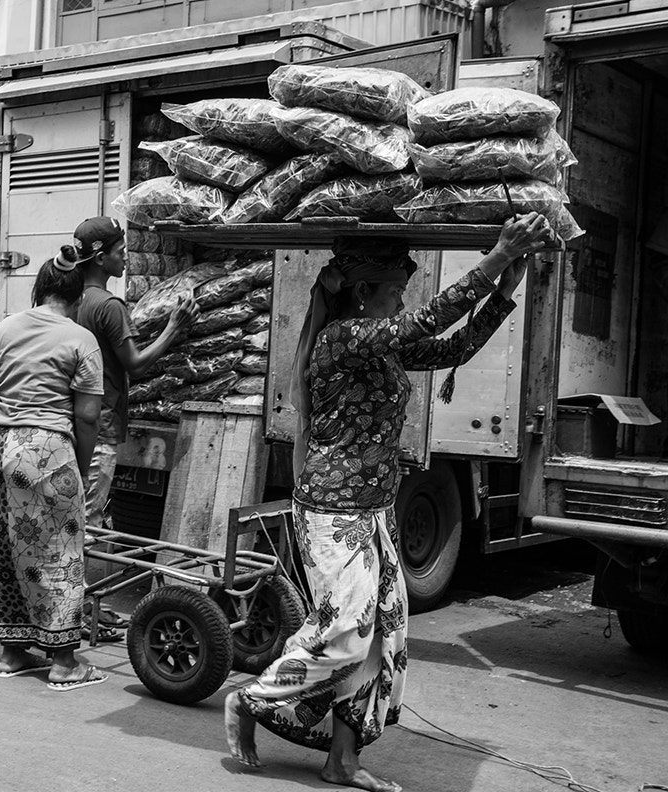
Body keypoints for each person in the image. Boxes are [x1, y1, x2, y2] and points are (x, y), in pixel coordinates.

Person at [224, 212, 555, 792]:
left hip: (374, 509)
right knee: (346, 628)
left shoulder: (381, 347)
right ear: (361, 292)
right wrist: (497, 255)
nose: (404, 300)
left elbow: (455, 342)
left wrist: (506, 287)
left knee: (383, 639)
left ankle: (342, 761)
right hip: (331, 509)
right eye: (396, 291)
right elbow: (430, 320)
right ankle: (252, 700)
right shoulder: (344, 338)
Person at [0, 256, 106, 690]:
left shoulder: (3, 329)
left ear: (38, 288)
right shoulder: (81, 339)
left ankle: (13, 653)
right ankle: (65, 661)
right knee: (58, 550)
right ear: (78, 294)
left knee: (2, 544)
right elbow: (87, 417)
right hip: (45, 449)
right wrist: (80, 468)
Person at [66, 216, 198, 636]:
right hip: (101, 423)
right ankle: (81, 610)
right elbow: (136, 364)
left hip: (75, 419)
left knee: (83, 517)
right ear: (101, 258)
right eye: (121, 252)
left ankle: (86, 604)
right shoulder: (108, 306)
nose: (126, 257)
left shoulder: (71, 301)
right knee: (86, 521)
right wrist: (174, 327)